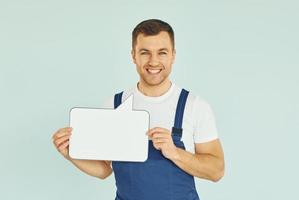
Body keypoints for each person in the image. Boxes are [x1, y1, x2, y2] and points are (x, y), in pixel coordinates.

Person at [52, 19, 225, 200]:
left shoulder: (195, 106)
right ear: (133, 55)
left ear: (173, 55)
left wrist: (175, 153)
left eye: (162, 53)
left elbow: (216, 171)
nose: (153, 61)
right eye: (145, 53)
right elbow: (104, 169)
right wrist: (71, 153)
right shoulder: (114, 105)